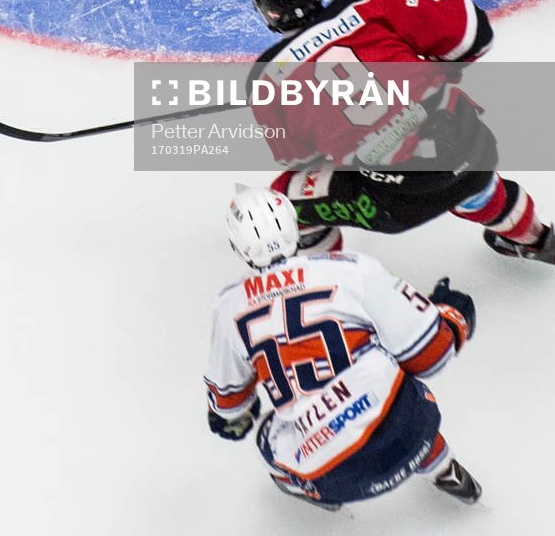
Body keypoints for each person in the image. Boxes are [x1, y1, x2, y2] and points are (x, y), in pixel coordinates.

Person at [247, 0, 555, 265]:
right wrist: (435, 66)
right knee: (458, 161)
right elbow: (476, 34)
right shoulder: (370, 0)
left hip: (394, 204)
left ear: (267, 12)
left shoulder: (266, 77)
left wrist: (354, 132)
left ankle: (330, 281)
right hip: (473, 148)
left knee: (282, 201)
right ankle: (534, 237)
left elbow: (300, 158)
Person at [205, 186, 482, 510]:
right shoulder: (351, 269)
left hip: (333, 476)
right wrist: (452, 316)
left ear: (237, 246)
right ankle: (443, 467)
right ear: (294, 225)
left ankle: (324, 500)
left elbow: (228, 405)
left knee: (268, 436)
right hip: (413, 430)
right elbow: (429, 356)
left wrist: (234, 418)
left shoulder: (228, 307)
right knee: (382, 371)